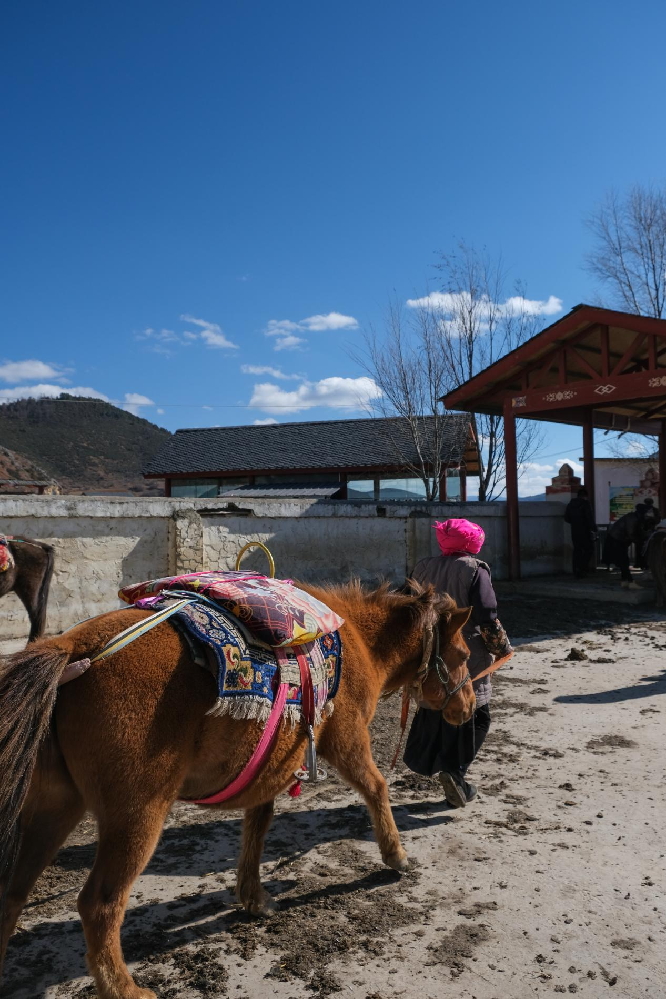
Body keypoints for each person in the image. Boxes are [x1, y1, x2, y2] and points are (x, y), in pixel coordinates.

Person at [403, 518, 513, 809]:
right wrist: (502, 648)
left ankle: (436, 764)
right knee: (478, 714)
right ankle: (456, 773)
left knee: (435, 705)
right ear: (473, 544)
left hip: (428, 653)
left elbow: (407, 604)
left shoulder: (422, 566)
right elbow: (487, 616)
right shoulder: (475, 570)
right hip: (465, 654)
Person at [602, 503, 650, 589]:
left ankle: (624, 581)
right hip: (616, 540)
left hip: (619, 540)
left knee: (624, 561)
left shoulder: (635, 517)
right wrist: (640, 542)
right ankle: (630, 582)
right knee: (624, 562)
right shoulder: (632, 519)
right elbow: (631, 533)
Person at [564, 487, 597, 577]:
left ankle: (576, 570)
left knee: (577, 551)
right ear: (585, 496)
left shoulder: (570, 504)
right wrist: (594, 528)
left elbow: (566, 518)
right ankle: (582, 568)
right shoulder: (586, 504)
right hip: (585, 531)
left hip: (574, 531)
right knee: (589, 550)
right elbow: (589, 518)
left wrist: (575, 523)